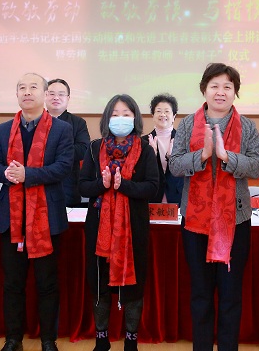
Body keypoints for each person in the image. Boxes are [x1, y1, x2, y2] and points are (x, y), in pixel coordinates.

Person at [170, 63, 259, 351]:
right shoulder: (188, 124)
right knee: (200, 293)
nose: (220, 92)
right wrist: (204, 154)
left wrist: (226, 156)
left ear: (235, 92)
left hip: (236, 220)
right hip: (195, 221)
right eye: (214, 86)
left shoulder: (248, 127)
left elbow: (257, 166)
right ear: (204, 90)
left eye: (227, 87)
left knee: (230, 293)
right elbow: (175, 165)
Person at [0, 73, 74, 351]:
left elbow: (64, 166)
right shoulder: (3, 129)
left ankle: (48, 340)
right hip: (10, 218)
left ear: (45, 94)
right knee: (12, 283)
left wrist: (29, 175)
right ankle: (13, 339)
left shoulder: (61, 129)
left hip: (47, 217)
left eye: (33, 87)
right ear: (16, 94)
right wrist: (7, 173)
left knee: (47, 283)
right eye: (21, 87)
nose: (27, 92)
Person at [79, 94, 159, 351]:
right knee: (99, 283)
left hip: (134, 228)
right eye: (115, 114)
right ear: (106, 118)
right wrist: (101, 185)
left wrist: (123, 185)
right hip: (99, 227)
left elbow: (153, 188)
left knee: (133, 286)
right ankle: (101, 340)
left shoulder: (145, 149)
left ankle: (131, 342)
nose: (120, 119)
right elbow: (82, 186)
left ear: (135, 118)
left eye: (126, 114)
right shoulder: (94, 148)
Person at [45, 78, 90, 207]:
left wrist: (51, 149)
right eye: (51, 94)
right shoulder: (35, 122)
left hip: (67, 186)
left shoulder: (78, 122)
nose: (56, 97)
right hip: (39, 183)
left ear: (68, 98)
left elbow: (83, 149)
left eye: (61, 94)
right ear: (45, 96)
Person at [146, 93, 184, 206]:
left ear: (174, 116)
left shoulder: (183, 140)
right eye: (158, 111)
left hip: (178, 196)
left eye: (167, 111)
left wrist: (172, 158)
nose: (163, 114)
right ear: (153, 115)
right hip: (152, 197)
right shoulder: (144, 142)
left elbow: (187, 171)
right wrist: (151, 157)